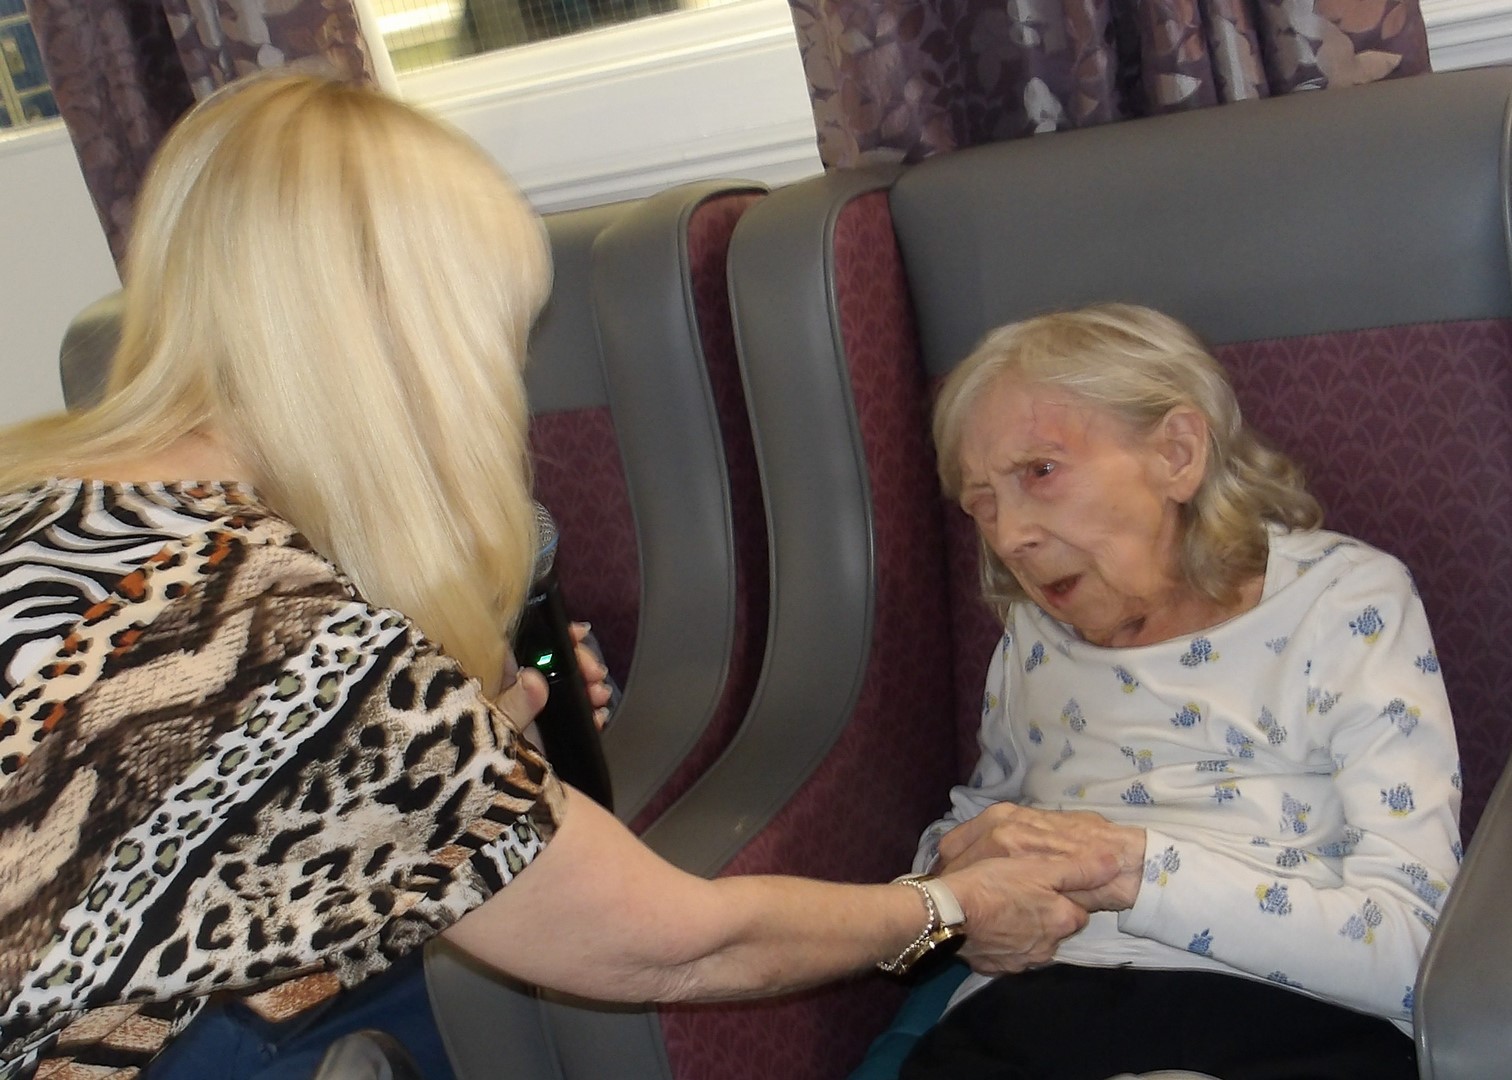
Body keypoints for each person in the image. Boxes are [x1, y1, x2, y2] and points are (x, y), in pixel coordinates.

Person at [0, 74, 1117, 1079]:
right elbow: (675, 947)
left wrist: (451, 774)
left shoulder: (42, 502)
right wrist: (942, 909)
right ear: (408, 344)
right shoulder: (307, 655)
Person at [862, 304, 1462, 1080]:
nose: (1009, 536)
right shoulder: (1033, 637)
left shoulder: (1344, 604)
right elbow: (982, 818)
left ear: (1177, 454)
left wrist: (1133, 868)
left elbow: (1418, 950)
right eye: (982, 503)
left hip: (1293, 1008)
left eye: (1040, 472)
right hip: (1036, 1007)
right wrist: (947, 896)